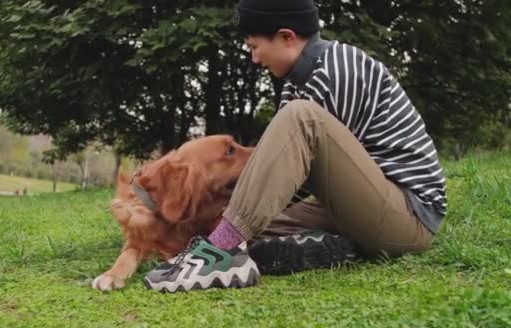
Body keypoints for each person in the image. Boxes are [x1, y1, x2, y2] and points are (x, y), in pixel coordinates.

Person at [144, 0, 447, 292]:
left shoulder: (339, 69)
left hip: (409, 218)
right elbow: (287, 176)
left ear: (286, 37)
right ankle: (294, 246)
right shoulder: (296, 84)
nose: (255, 59)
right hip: (359, 205)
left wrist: (238, 215)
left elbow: (294, 174)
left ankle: (220, 254)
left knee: (301, 117)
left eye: (254, 47)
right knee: (252, 224)